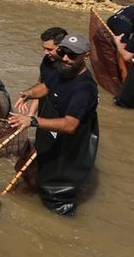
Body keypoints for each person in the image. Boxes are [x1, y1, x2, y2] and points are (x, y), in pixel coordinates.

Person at [7, 33, 100, 216]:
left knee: (56, 204)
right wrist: (29, 93)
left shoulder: (84, 89)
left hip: (67, 154)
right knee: (35, 178)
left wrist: (32, 120)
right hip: (51, 141)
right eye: (63, 52)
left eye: (72, 55)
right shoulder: (63, 70)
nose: (65, 58)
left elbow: (70, 124)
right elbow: (47, 87)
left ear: (86, 55)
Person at [15, 26, 67, 109]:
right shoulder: (47, 60)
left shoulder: (72, 69)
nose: (45, 52)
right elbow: (41, 85)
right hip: (45, 112)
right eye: (44, 48)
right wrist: (30, 116)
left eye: (49, 49)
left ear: (62, 48)